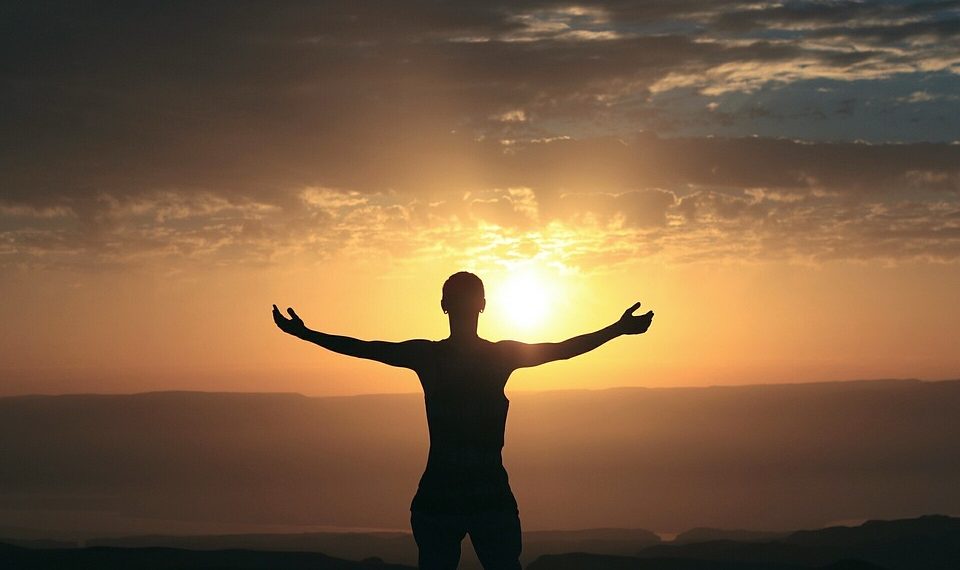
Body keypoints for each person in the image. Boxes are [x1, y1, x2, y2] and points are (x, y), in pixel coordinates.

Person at [272, 271, 654, 570]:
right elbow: (562, 351)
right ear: (483, 305)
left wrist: (305, 335)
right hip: (486, 490)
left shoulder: (429, 357)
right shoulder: (499, 357)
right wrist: (616, 330)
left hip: (441, 490)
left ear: (443, 306)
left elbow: (364, 349)